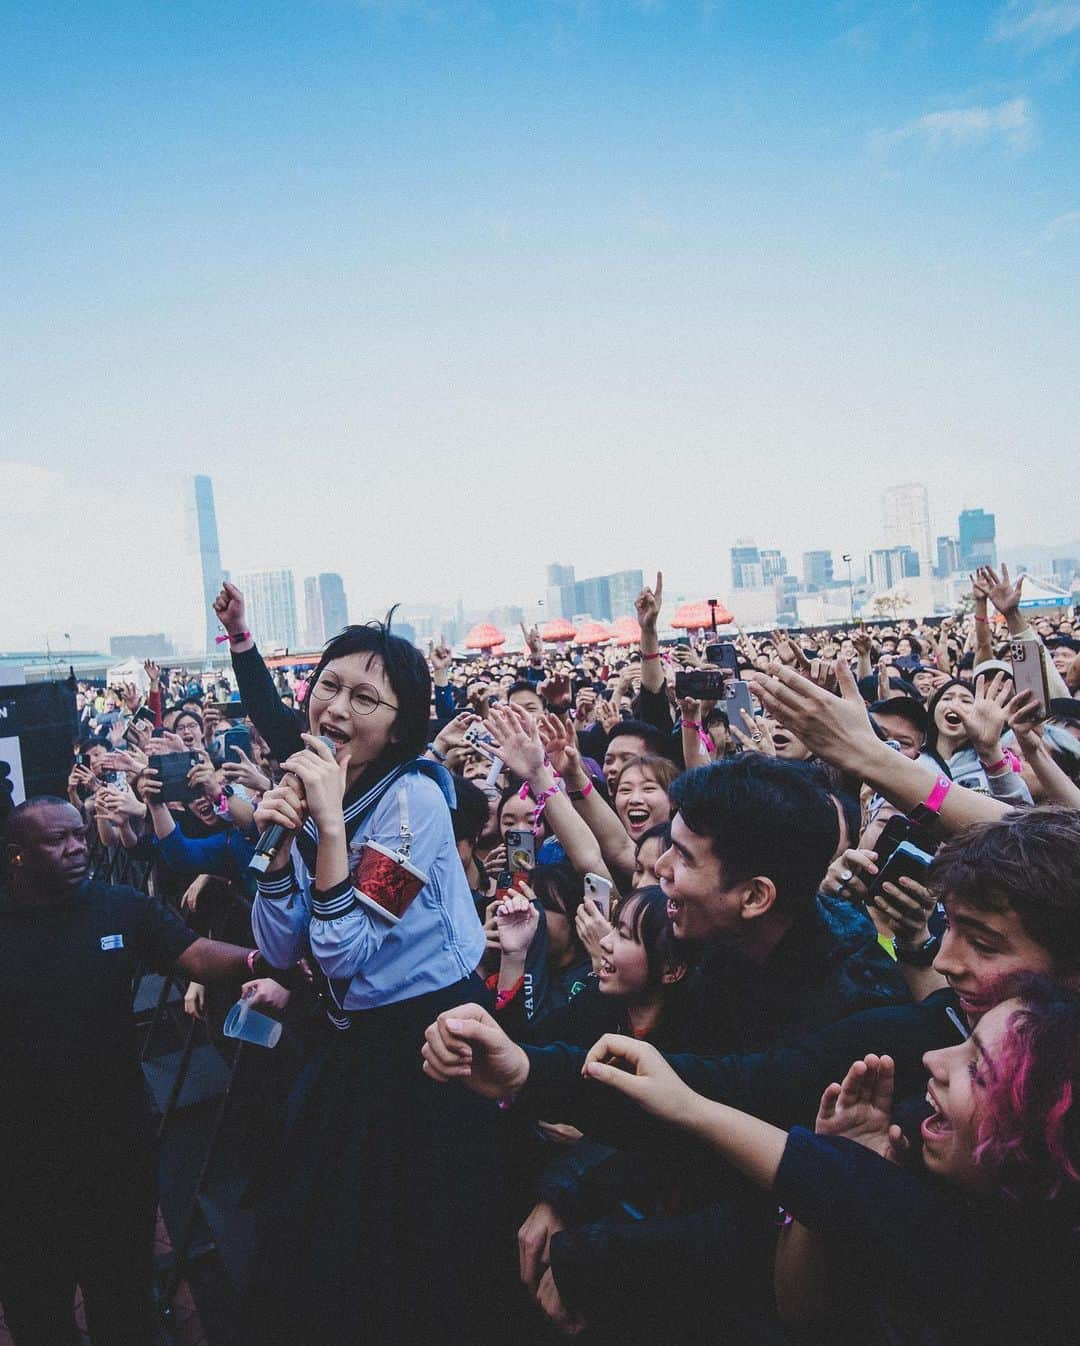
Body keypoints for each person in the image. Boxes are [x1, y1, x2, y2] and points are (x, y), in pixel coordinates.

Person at [212, 581, 502, 1346]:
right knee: (315, 1222)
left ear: (402, 724)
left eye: (364, 698)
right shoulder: (315, 781)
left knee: (411, 1238)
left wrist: (329, 830)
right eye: (329, 685)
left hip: (432, 1035)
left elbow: (343, 950)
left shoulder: (417, 805)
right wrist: (277, 858)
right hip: (359, 1035)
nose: (335, 708)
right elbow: (280, 949)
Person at [581, 976, 1080, 1346]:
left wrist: (687, 1105)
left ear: (1040, 1135)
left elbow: (822, 1178)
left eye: (979, 1070)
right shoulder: (935, 1172)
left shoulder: (1037, 1269)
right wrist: (830, 1182)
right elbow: (801, 1310)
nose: (935, 1060)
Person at [0, 797, 256, 1346]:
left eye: (78, 835)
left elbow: (193, 954)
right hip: (21, 1153)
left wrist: (262, 961)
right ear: (16, 856)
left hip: (114, 1138)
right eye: (57, 841)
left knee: (121, 1292)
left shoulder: (116, 906)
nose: (77, 849)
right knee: (36, 1303)